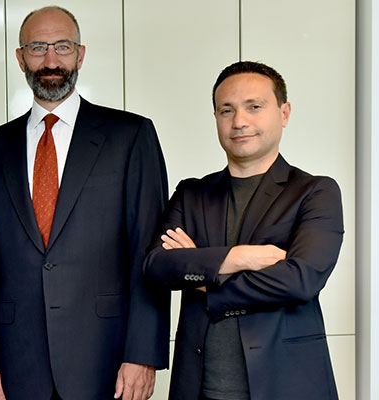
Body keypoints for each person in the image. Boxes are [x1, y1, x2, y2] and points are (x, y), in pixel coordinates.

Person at [0, 6, 169, 400]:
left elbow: (148, 253)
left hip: (107, 360)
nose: (50, 60)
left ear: (81, 54)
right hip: (16, 363)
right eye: (37, 47)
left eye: (62, 47)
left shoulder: (130, 136)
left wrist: (143, 354)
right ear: (20, 57)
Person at [144, 61, 342, 400]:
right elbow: (156, 267)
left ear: (284, 113)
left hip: (285, 386)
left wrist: (204, 275)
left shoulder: (315, 192)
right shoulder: (192, 194)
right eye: (227, 110)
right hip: (199, 388)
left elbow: (300, 280)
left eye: (254, 107)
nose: (239, 121)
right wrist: (240, 257)